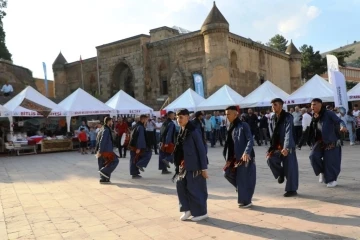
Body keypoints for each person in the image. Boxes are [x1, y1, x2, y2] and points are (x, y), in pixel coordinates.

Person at [173, 109, 208, 222]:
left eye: (181, 117)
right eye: (177, 117)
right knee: (180, 185)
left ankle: (201, 212)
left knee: (195, 189)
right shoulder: (182, 130)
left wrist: (203, 168)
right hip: (183, 165)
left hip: (195, 165)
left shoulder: (194, 130)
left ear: (188, 117)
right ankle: (187, 209)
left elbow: (201, 149)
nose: (179, 120)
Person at [308, 99, 347, 188]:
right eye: (311, 105)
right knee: (313, 156)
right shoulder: (314, 115)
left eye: (314, 104)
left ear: (320, 105)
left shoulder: (329, 113)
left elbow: (339, 121)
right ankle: (322, 171)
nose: (312, 107)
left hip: (331, 141)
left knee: (330, 162)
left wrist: (343, 126)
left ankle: (332, 180)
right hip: (320, 141)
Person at [223, 106, 256, 208]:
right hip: (234, 157)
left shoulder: (243, 125)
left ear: (235, 114)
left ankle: (246, 201)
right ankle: (241, 189)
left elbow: (250, 140)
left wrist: (246, 152)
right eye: (226, 114)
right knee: (227, 173)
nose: (226, 116)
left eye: (228, 114)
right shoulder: (231, 126)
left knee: (244, 178)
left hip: (244, 157)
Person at [267, 98, 299, 197]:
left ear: (281, 105)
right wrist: (272, 146)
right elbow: (272, 133)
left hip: (287, 146)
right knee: (270, 159)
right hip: (277, 146)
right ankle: (280, 173)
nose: (273, 107)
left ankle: (292, 190)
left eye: (275, 105)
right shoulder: (273, 118)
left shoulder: (288, 117)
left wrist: (286, 147)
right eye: (272, 105)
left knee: (290, 168)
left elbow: (288, 133)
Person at [95, 117, 119, 184]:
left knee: (104, 163)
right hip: (106, 150)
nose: (112, 123)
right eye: (111, 121)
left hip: (103, 150)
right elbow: (102, 141)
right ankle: (104, 172)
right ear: (108, 122)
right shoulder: (106, 130)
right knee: (115, 160)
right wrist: (100, 151)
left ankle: (104, 179)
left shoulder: (102, 129)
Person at [128, 115, 152, 179]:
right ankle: (140, 164)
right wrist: (139, 147)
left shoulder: (135, 126)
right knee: (148, 153)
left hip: (132, 145)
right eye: (146, 120)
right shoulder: (140, 127)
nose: (147, 121)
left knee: (134, 159)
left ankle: (134, 173)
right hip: (137, 146)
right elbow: (140, 138)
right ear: (143, 119)